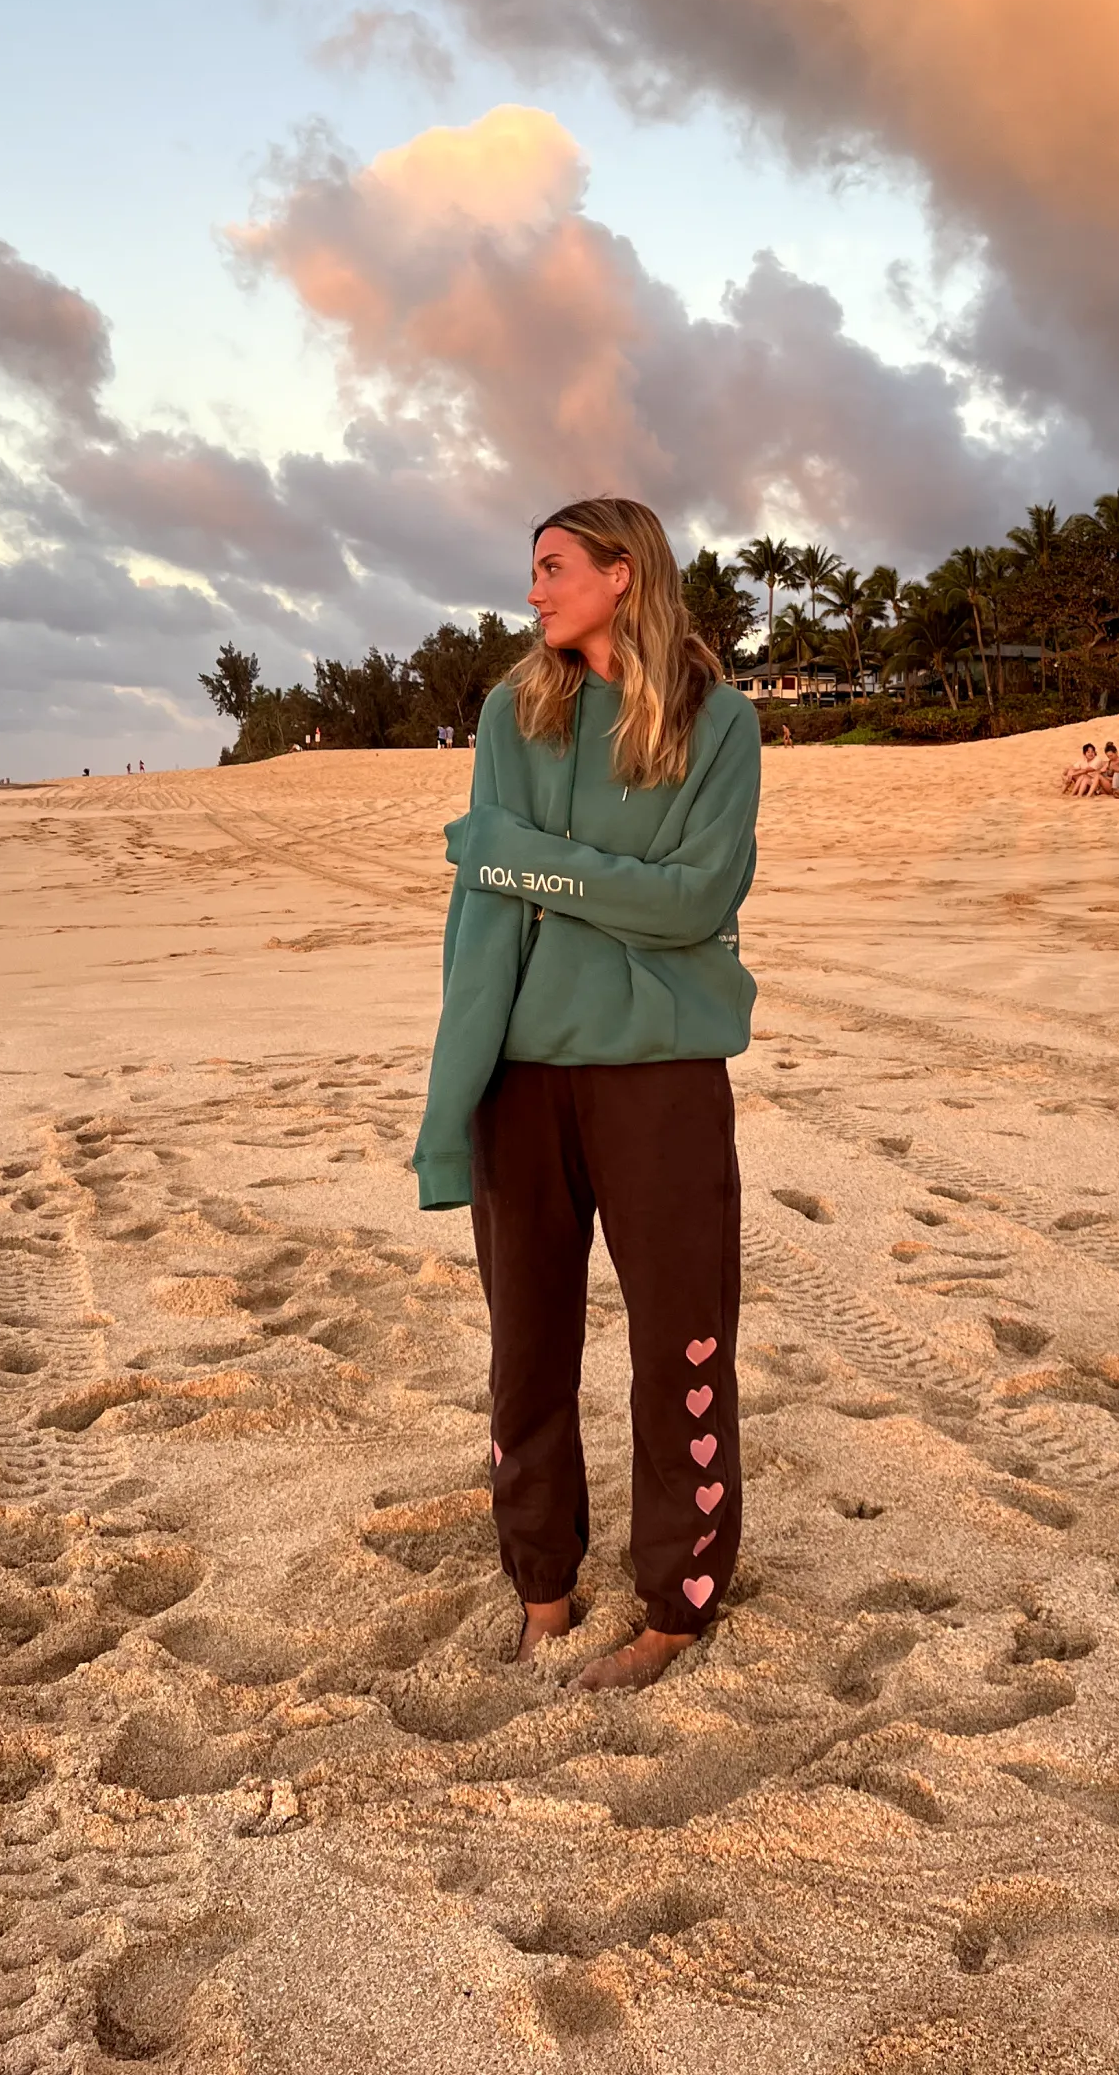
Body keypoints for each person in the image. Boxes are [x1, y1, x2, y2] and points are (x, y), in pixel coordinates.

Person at [412, 497, 760, 1695]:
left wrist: (530, 859)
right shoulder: (515, 713)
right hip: (522, 1076)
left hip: (662, 1077)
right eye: (531, 570)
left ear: (622, 574)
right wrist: (451, 1094)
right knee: (528, 1348)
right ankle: (543, 1591)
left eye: (553, 567)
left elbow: (695, 903)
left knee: (682, 1341)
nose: (534, 591)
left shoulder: (721, 724)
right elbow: (483, 914)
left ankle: (676, 1602)